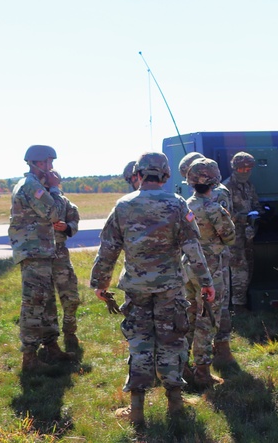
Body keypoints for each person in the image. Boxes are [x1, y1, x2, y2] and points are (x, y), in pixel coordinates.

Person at [90, 152, 214, 428]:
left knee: (140, 343)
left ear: (138, 174)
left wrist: (100, 283)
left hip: (136, 288)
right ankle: (175, 404)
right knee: (172, 341)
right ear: (166, 175)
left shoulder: (123, 205)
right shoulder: (177, 204)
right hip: (170, 287)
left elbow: (108, 250)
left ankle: (137, 409)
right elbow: (193, 248)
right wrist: (206, 282)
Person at [9, 145, 73, 371]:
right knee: (34, 303)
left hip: (41, 251)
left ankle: (51, 346)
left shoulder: (33, 185)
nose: (52, 167)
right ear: (37, 163)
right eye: (48, 162)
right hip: (33, 252)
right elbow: (53, 213)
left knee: (46, 301)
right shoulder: (31, 187)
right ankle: (29, 356)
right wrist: (55, 189)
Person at [178, 152, 237, 364]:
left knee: (190, 314)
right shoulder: (213, 208)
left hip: (188, 265)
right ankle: (202, 368)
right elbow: (229, 237)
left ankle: (182, 364)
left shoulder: (183, 205)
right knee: (209, 317)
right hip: (211, 267)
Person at [223, 152, 263, 313]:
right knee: (239, 269)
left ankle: (243, 300)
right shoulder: (226, 188)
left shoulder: (248, 186)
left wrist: (261, 212)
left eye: (249, 168)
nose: (245, 171)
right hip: (234, 236)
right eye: (242, 168)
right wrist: (244, 218)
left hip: (248, 234)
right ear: (235, 168)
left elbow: (255, 203)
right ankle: (238, 306)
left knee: (249, 267)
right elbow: (224, 213)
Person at [49, 172, 81, 349]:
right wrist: (53, 189)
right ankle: (49, 340)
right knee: (45, 300)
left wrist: (67, 227)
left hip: (59, 252)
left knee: (70, 295)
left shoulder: (64, 200)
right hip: (41, 254)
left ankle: (70, 331)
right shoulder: (39, 197)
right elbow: (54, 209)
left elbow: (74, 219)